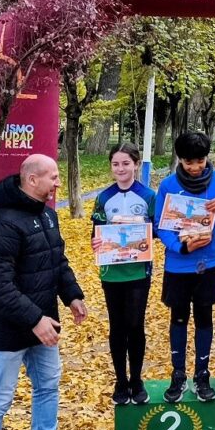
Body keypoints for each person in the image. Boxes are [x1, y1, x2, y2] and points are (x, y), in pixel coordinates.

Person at [0, 155, 88, 430]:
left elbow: (56, 262)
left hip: (45, 326)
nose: (57, 183)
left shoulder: (48, 216)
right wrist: (34, 319)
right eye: (52, 177)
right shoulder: (2, 225)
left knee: (48, 387)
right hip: (9, 330)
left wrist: (72, 295)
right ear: (31, 179)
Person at [154, 132, 215, 403]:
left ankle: (202, 374)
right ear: (180, 159)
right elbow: (160, 225)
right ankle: (178, 374)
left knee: (204, 318)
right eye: (189, 162)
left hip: (208, 264)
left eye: (200, 161)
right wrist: (181, 246)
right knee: (178, 319)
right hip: (178, 265)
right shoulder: (167, 185)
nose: (195, 167)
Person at [91, 143, 156, 406]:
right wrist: (96, 242)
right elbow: (95, 232)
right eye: (115, 164)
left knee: (135, 324)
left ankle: (137, 379)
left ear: (136, 164)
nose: (120, 169)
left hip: (139, 270)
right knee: (117, 326)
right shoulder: (104, 197)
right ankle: (120, 380)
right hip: (112, 272)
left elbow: (156, 233)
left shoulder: (148, 196)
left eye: (126, 163)